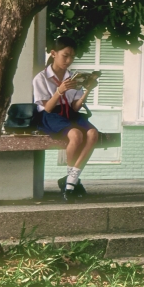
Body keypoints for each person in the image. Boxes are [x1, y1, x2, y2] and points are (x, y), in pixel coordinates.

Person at [34, 39, 100, 202]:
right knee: (76, 135)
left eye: (72, 57)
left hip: (70, 113)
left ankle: (70, 179)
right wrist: (59, 91)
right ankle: (71, 184)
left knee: (93, 133)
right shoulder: (41, 78)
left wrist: (87, 91)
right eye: (65, 56)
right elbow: (47, 108)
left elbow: (75, 107)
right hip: (52, 115)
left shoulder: (72, 76)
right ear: (54, 53)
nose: (69, 60)